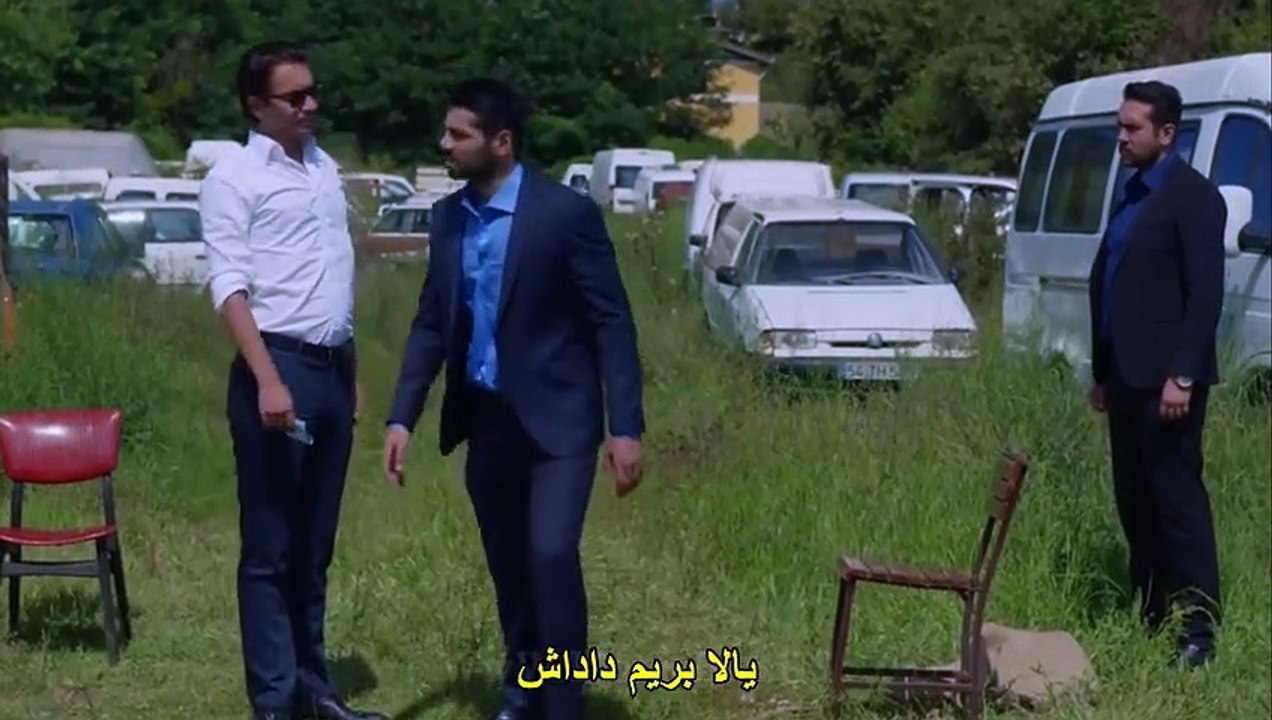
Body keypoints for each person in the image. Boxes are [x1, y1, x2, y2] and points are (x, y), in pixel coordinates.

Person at [383, 77, 645, 720]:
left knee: (551, 555)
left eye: (459, 134)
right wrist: (402, 416)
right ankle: (522, 689)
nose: (444, 144)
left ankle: (564, 703)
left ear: (501, 142)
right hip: (489, 421)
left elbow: (611, 322)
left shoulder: (564, 215)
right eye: (446, 132)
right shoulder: (448, 219)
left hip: (560, 423)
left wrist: (625, 427)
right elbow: (431, 323)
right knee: (509, 565)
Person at [200, 40, 386, 720]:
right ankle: (274, 700)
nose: (311, 105)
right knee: (271, 548)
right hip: (277, 368)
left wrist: (350, 367)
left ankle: (315, 689)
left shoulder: (323, 168)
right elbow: (229, 284)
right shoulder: (234, 177)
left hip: (331, 368)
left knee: (314, 546)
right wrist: (267, 379)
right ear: (257, 105)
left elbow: (332, 275)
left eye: (314, 92)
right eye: (295, 96)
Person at [1087, 80, 1225, 669]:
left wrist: (1184, 375)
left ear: (1166, 133)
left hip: (1168, 383)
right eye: (1119, 125)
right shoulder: (1132, 193)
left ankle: (1198, 631)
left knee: (1176, 504)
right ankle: (1152, 610)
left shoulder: (1193, 198)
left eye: (1132, 127)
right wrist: (1102, 370)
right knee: (1135, 501)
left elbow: (1205, 296)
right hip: (1125, 377)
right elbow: (1113, 281)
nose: (1120, 137)